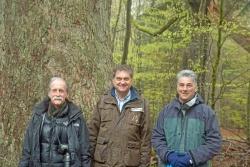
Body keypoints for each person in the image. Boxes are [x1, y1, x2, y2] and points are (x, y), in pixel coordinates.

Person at [151, 70, 222, 167]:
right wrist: (168, 155)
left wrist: (191, 158)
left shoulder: (207, 113)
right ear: (177, 87)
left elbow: (214, 142)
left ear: (195, 88)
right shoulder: (166, 112)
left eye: (189, 85)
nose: (184, 89)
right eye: (181, 85)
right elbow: (157, 138)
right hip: (168, 164)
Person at [19, 77, 91, 167]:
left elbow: (85, 153)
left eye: (61, 91)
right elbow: (27, 151)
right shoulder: (38, 116)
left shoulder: (76, 118)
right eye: (54, 90)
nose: (58, 94)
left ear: (66, 94)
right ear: (49, 93)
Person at [88, 64, 151, 167]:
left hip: (129, 162)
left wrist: (144, 164)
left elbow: (146, 139)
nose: (122, 82)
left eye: (126, 79)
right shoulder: (103, 101)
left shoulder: (141, 104)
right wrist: (88, 161)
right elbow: (92, 133)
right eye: (119, 78)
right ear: (113, 80)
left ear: (131, 80)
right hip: (102, 162)